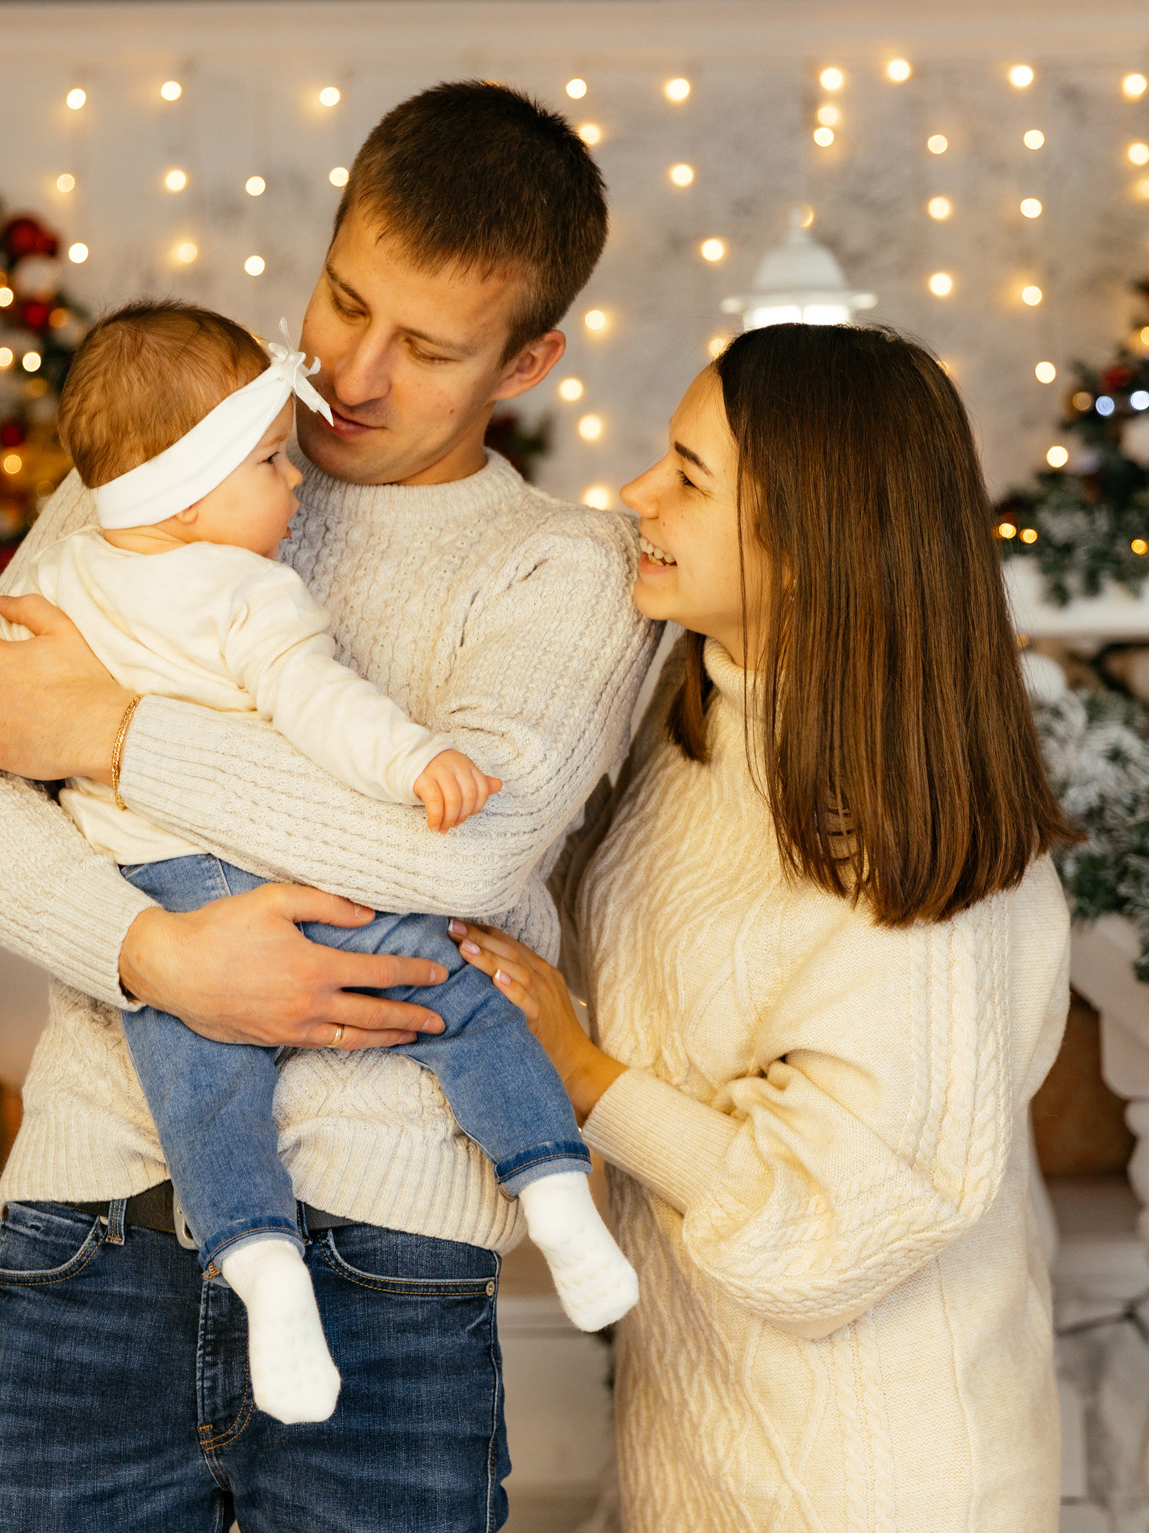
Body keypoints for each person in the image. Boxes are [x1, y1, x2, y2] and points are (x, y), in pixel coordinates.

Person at [0, 82, 654, 1531]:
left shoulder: (562, 569)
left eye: (426, 347)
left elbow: (474, 844)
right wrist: (159, 960)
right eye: (342, 299)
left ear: (529, 359)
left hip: (388, 1257)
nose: (353, 373)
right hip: (90, 1228)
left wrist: (111, 733)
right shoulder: (155, 471)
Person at [448, 322, 1077, 1531]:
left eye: (689, 476)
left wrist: (584, 1079)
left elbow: (838, 1225)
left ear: (812, 541)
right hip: (701, 1446)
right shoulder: (689, 728)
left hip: (878, 1482)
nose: (636, 495)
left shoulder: (914, 870)